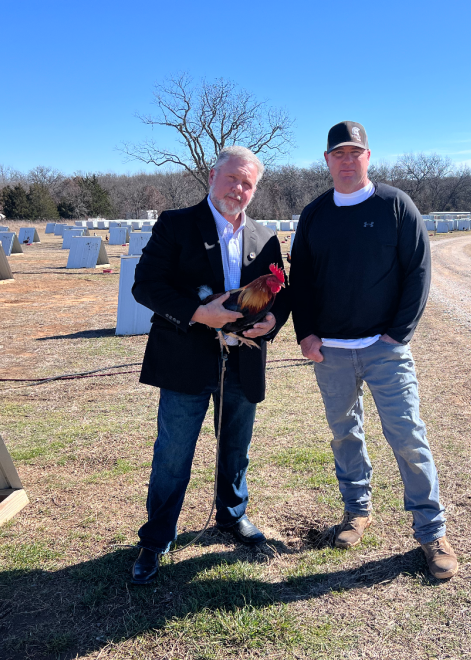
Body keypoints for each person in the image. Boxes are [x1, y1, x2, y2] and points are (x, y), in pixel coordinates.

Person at [289, 121, 458, 579]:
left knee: (407, 437)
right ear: (326, 160)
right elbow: (299, 279)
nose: (346, 160)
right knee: (345, 433)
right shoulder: (315, 214)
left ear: (368, 157)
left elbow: (418, 272)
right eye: (338, 153)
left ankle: (431, 532)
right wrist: (306, 333)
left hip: (385, 349)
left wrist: (397, 335)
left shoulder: (395, 206)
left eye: (354, 152)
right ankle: (356, 511)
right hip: (332, 352)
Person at [130, 146, 290, 584]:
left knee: (235, 447)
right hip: (186, 358)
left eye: (248, 184)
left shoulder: (264, 236)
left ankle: (231, 515)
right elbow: (145, 286)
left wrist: (273, 321)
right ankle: (157, 538)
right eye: (232, 178)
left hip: (244, 362)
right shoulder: (177, 224)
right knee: (173, 454)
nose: (238, 189)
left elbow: (283, 294)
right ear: (212, 176)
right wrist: (199, 314)